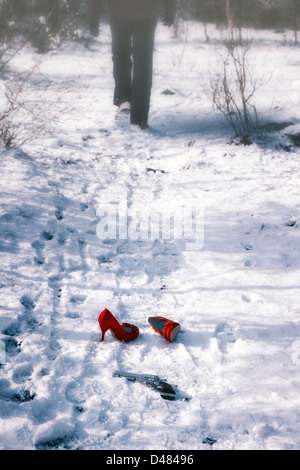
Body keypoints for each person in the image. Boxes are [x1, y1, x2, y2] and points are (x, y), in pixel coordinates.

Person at [87, 0, 177, 130]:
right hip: (146, 12)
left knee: (120, 56)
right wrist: (170, 9)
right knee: (143, 63)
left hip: (119, 12)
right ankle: (139, 120)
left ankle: (123, 101)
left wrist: (93, 16)